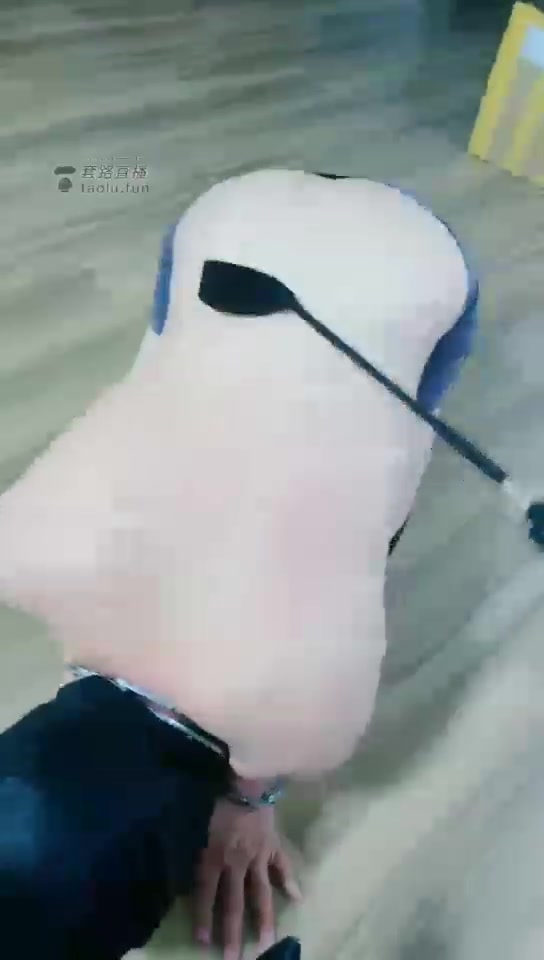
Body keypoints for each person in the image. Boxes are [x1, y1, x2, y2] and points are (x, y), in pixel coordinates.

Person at [0, 169, 478, 960]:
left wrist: (252, 803)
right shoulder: (20, 552)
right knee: (194, 392)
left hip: (419, 258)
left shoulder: (313, 717)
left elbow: (365, 533)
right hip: (230, 218)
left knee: (371, 492)